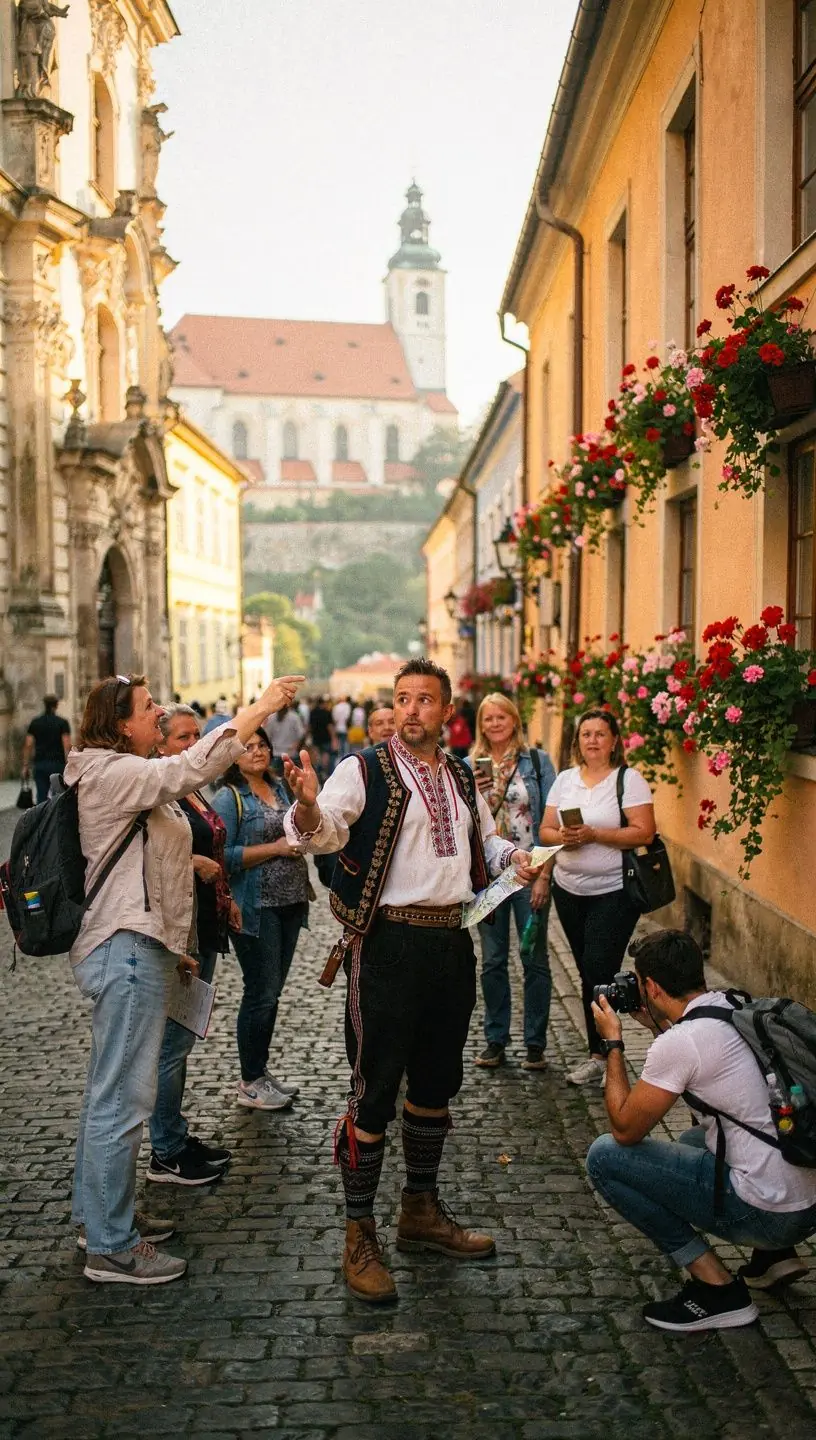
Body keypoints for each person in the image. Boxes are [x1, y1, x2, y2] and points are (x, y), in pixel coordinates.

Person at [282, 657, 545, 1303]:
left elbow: (487, 843)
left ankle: (419, 1212)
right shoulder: (363, 768)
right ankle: (358, 1233)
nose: (411, 710)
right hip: (389, 944)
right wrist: (310, 807)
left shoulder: (459, 773)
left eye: (424, 699)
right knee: (373, 1094)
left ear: (446, 711)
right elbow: (319, 834)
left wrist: (523, 857)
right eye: (402, 698)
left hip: (450, 942)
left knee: (435, 1086)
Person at [65, 671, 303, 1286]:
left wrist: (178, 944)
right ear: (120, 723)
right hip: (125, 951)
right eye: (147, 709)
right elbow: (192, 767)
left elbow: (154, 864)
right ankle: (113, 1247)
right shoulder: (113, 772)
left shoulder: (121, 772)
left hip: (142, 947)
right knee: (121, 1100)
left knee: (108, 1093)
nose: (155, 714)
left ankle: (99, 1219)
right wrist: (259, 709)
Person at [586, 929, 816, 1333]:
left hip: (772, 1213)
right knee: (696, 1141)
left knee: (605, 1157)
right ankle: (774, 1257)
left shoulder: (682, 1042)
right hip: (807, 1197)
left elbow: (625, 1129)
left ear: (652, 987)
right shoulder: (734, 1003)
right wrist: (660, 1027)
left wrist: (613, 1044)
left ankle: (718, 1291)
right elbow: (702, 1069)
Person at [146, 705, 241, 1186]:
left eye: (195, 736)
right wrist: (194, 864)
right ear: (160, 745)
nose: (191, 744)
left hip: (205, 923)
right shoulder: (161, 792)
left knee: (182, 1040)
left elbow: (215, 848)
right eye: (182, 737)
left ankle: (174, 1135)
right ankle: (164, 1149)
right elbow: (152, 864)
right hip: (180, 932)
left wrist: (224, 898)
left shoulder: (194, 789)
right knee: (172, 1046)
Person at [539, 709, 655, 1087]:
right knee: (588, 973)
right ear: (579, 742)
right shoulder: (565, 780)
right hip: (569, 891)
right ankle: (598, 1056)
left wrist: (595, 835)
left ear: (614, 741)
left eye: (600, 734)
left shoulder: (628, 780)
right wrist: (565, 837)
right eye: (586, 734)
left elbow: (644, 834)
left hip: (614, 892)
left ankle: (612, 1054)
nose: (592, 740)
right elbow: (545, 830)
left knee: (599, 968)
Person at [213, 728, 308, 1111]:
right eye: (247, 747)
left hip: (290, 902)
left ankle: (260, 1071)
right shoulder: (228, 797)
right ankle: (250, 1080)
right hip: (255, 907)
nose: (257, 752)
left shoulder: (281, 788)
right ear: (232, 757)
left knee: (272, 992)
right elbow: (223, 857)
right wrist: (277, 848)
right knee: (260, 991)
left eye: (262, 745)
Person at [468, 694, 556, 1071]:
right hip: (490, 879)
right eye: (488, 718)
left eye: (502, 716)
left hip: (531, 872)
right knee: (492, 962)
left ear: (515, 720)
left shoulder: (537, 762)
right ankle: (495, 1040)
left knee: (533, 956)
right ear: (480, 724)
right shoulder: (469, 765)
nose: (495, 723)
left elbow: (551, 824)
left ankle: (535, 1043)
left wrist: (545, 877)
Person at [23, 694, 71, 802]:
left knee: (41, 797)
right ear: (56, 705)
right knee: (58, 796)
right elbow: (66, 745)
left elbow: (28, 745)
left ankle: (42, 817)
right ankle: (56, 818)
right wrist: (69, 764)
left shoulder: (35, 722)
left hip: (40, 763)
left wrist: (25, 765)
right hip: (57, 764)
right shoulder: (62, 723)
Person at [308, 696, 335, 781]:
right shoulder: (326, 712)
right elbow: (329, 726)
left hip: (315, 737)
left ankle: (318, 770)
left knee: (317, 754)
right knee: (326, 753)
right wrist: (334, 738)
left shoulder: (312, 712)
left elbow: (310, 726)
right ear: (323, 703)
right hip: (326, 737)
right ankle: (324, 771)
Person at [332, 694, 352, 761]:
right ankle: (344, 757)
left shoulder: (335, 707)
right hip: (345, 728)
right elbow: (347, 717)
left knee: (339, 742)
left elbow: (334, 719)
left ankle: (339, 755)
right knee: (344, 742)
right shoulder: (347, 706)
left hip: (338, 727)